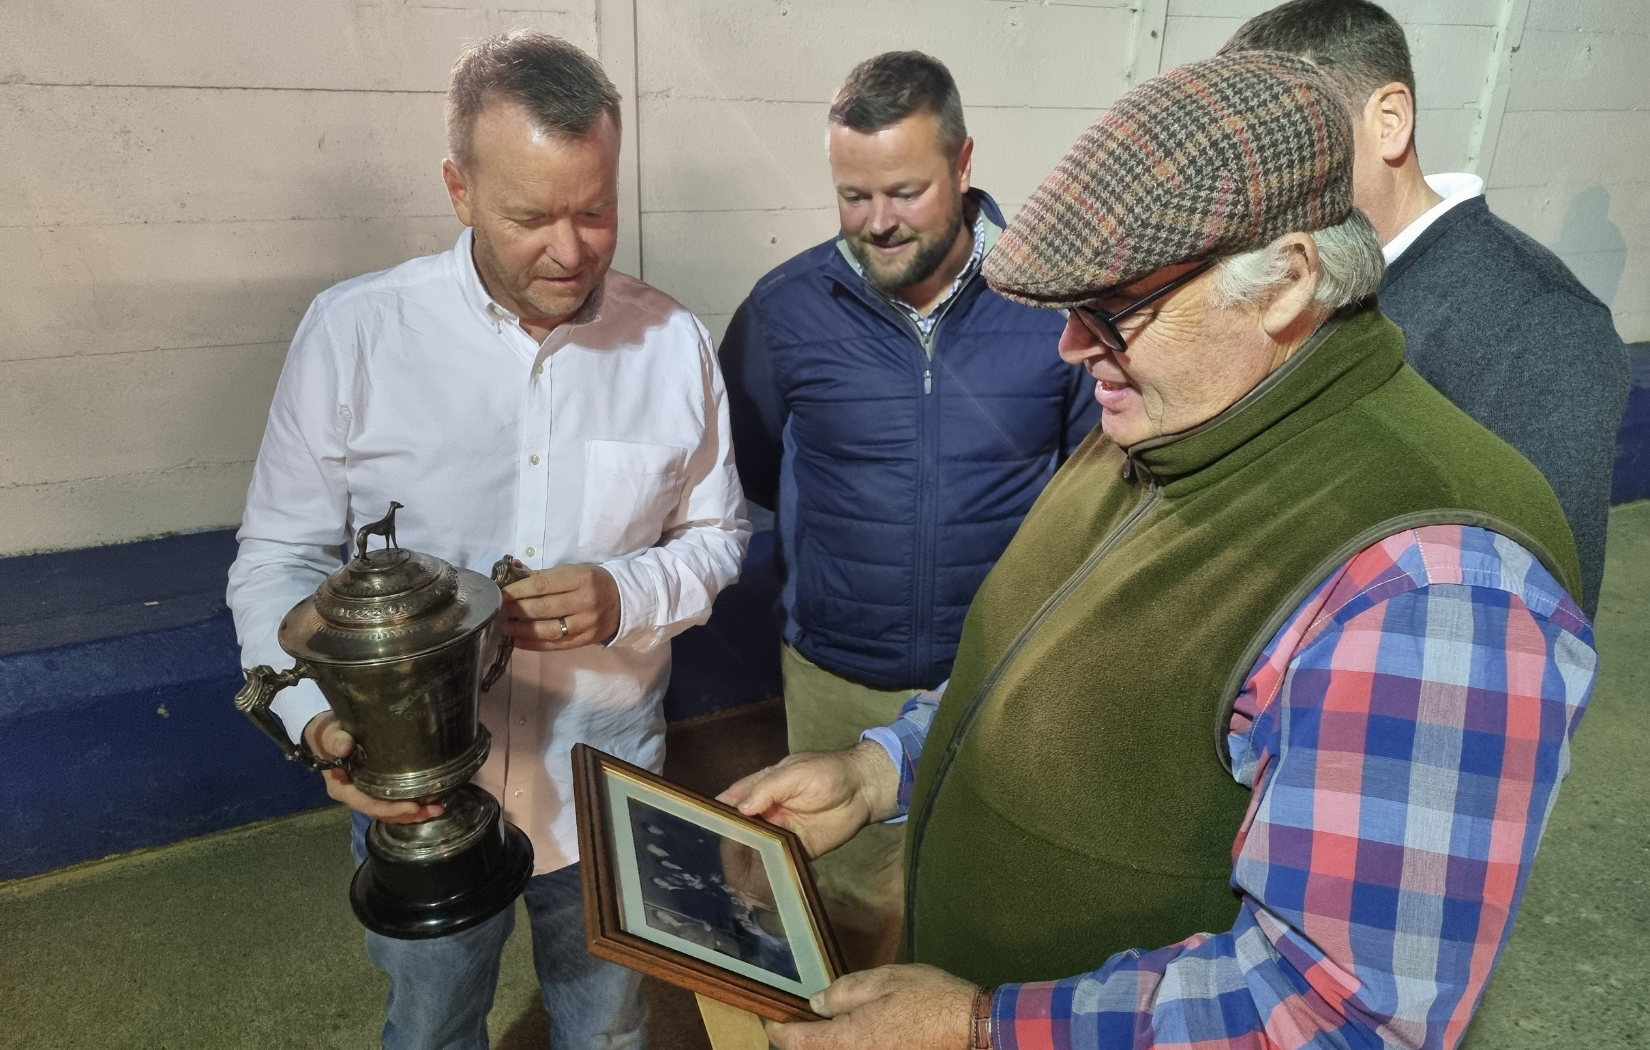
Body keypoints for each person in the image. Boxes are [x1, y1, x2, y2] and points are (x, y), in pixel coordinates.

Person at [718, 51, 1598, 1050]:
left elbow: (1338, 1017)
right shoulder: (1173, 414)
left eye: (1113, 310)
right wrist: (884, 771)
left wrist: (979, 1026)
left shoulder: (1436, 588)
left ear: (1287, 284)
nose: (1071, 350)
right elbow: (1048, 666)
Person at [226, 31, 748, 1050]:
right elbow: (279, 560)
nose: (571, 249)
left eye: (595, 210)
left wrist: (626, 595)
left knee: (605, 1025)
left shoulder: (672, 344)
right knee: (431, 1027)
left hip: (603, 777)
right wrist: (313, 720)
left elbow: (718, 535)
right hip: (416, 798)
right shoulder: (356, 336)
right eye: (530, 216)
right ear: (459, 190)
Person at [717, 51, 1099, 970]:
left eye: (905, 191)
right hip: (838, 669)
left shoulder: (1056, 304)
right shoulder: (785, 310)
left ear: (964, 165)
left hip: (1002, 669)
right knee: (848, 896)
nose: (876, 224)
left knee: (987, 880)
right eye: (853, 197)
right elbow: (759, 468)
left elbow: (1095, 487)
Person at [1221, 0, 1630, 618]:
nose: (1261, 185)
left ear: (1389, 120)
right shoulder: (1299, 274)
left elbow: (1539, 624)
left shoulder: (1544, 326)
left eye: (1287, 146)